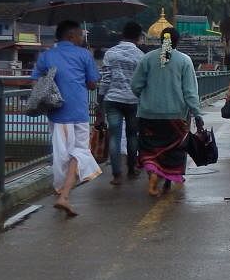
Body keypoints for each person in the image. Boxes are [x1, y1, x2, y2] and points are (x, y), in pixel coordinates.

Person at [32, 20, 101, 216]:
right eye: (80, 35)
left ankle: (61, 192)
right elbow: (93, 84)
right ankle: (65, 196)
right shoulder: (84, 55)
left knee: (61, 153)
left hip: (56, 112)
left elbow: (36, 80)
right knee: (79, 152)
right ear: (71, 36)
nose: (82, 38)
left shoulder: (47, 55)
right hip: (78, 111)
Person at [131, 27, 202, 197]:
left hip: (148, 114)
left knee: (150, 148)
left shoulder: (147, 58)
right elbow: (190, 92)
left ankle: (153, 176)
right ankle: (167, 181)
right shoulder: (184, 60)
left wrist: (148, 97)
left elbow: (135, 86)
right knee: (173, 150)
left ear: (160, 40)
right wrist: (197, 113)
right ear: (177, 41)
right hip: (175, 115)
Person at [98, 21, 145, 184]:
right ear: (138, 37)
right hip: (133, 100)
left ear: (122, 35)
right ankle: (132, 169)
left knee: (115, 136)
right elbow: (142, 82)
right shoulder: (141, 56)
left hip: (113, 99)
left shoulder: (110, 53)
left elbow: (105, 80)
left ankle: (116, 174)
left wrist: (100, 101)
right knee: (133, 135)